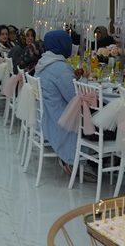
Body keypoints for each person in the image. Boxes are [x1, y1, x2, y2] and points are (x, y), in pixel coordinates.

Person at [36, 30, 96, 180]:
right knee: (100, 115)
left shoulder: (44, 62)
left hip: (49, 116)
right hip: (63, 120)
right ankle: (81, 158)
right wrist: (85, 79)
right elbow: (76, 98)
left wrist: (73, 77)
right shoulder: (61, 68)